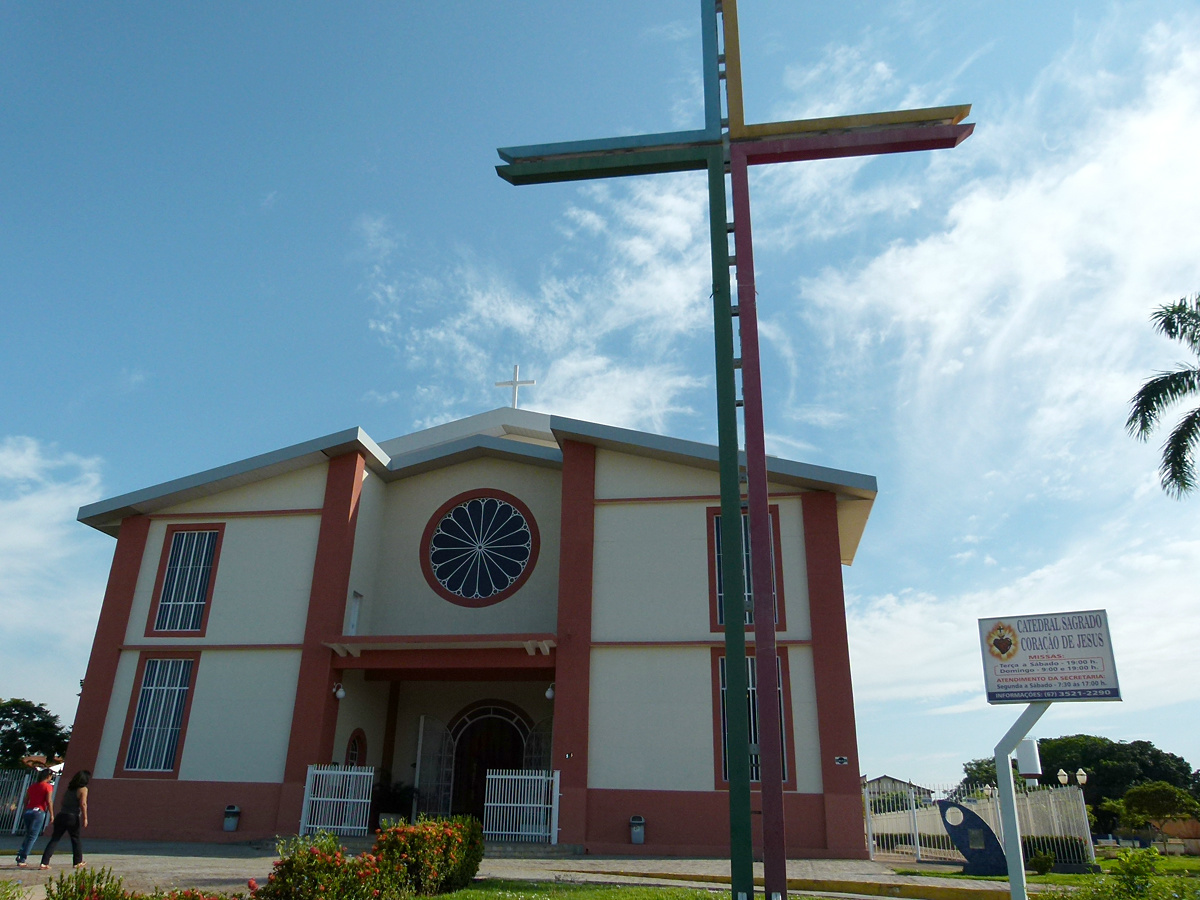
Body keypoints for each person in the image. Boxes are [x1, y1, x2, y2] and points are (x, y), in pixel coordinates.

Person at [38, 770, 89, 870]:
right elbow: (83, 804)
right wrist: (85, 818)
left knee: (55, 838)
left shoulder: (69, 789)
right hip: (72, 816)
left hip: (61, 815)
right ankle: (77, 861)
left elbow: (62, 801)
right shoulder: (83, 789)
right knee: (75, 839)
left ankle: (44, 862)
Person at [15, 768, 54, 866]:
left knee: (28, 835)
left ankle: (21, 854)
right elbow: (49, 801)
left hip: (28, 811)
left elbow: (25, 799)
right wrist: (52, 814)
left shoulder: (32, 786)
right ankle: (22, 857)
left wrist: (25, 809)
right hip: (38, 812)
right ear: (48, 776)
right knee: (33, 836)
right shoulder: (48, 787)